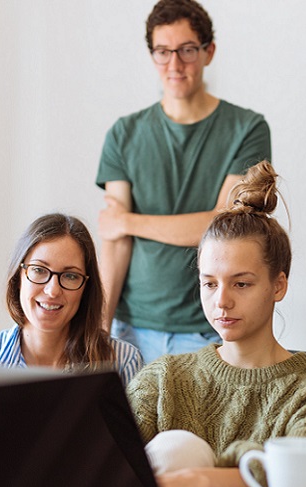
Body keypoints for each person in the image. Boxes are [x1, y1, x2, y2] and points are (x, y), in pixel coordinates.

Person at [127, 161, 306, 487]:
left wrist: (201, 481)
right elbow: (105, 467)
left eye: (241, 283)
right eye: (209, 283)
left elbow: (301, 481)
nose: (222, 301)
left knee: (182, 449)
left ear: (278, 285)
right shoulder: (162, 380)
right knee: (177, 448)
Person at [96, 0, 271, 363]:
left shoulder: (248, 129)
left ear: (209, 52)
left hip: (209, 326)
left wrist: (129, 221)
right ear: (152, 55)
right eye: (163, 52)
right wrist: (98, 331)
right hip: (130, 329)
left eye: (187, 50)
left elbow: (222, 225)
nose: (174, 64)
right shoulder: (124, 134)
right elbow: (116, 243)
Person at [0, 214, 142, 386]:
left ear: (86, 288)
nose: (52, 291)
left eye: (70, 276)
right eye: (39, 270)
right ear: (19, 277)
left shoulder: (123, 361)